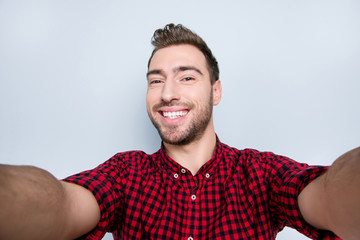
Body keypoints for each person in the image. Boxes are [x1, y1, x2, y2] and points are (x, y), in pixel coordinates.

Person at [0, 23, 359, 240]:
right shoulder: (126, 174)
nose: (168, 92)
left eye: (187, 77)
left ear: (215, 91)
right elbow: (62, 207)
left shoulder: (259, 172)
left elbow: (326, 195)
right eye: (156, 80)